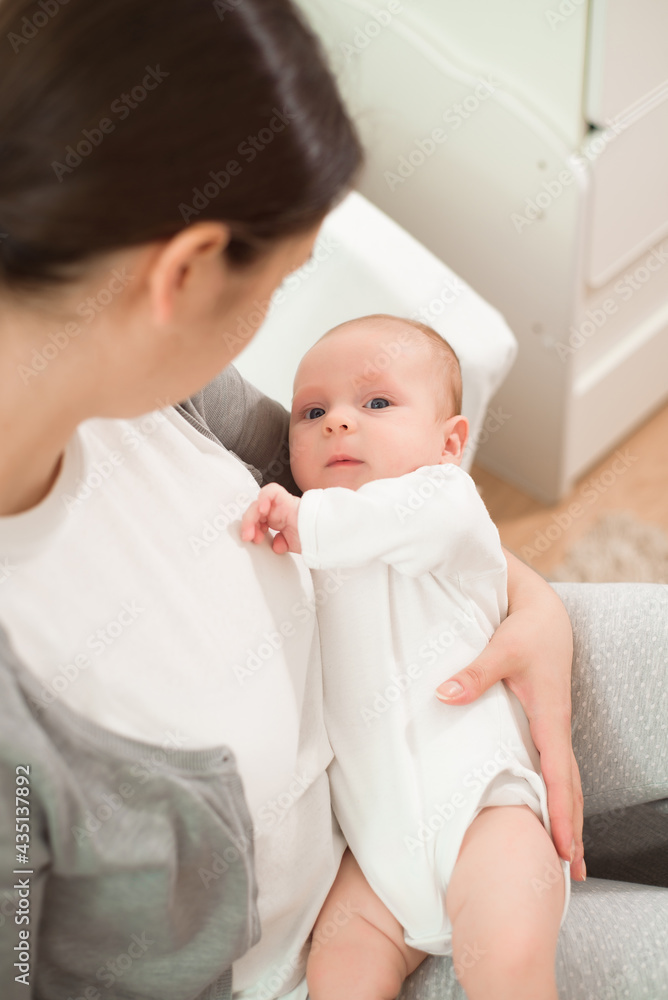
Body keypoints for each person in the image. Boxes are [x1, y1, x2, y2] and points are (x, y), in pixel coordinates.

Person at [0, 0, 665, 998]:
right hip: (327, 931)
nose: (326, 416)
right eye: (279, 281)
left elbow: (384, 498)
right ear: (181, 274)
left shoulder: (154, 391)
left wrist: (521, 602)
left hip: (458, 680)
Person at [241, 314, 571, 999]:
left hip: (485, 814)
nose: (337, 422)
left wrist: (307, 521)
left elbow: (400, 523)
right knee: (340, 961)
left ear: (449, 443)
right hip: (374, 861)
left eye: (377, 403)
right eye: (311, 411)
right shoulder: (309, 554)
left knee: (506, 956)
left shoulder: (445, 506)